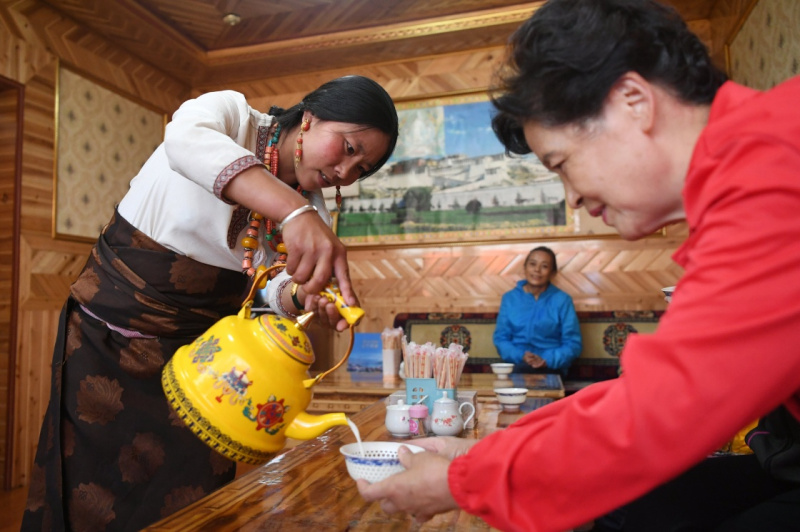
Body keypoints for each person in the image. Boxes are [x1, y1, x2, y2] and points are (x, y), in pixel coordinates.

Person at [357, 1, 800, 530]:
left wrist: (463, 481)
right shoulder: (748, 166)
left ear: (633, 102)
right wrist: (486, 452)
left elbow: (664, 409)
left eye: (562, 164)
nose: (571, 198)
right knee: (620, 511)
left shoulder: (775, 166)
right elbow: (648, 392)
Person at [22, 75, 398, 531]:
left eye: (362, 168)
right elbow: (184, 141)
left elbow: (274, 287)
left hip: (206, 366)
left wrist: (306, 295)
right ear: (312, 116)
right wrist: (292, 211)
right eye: (349, 148)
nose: (346, 172)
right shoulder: (234, 117)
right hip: (110, 340)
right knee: (90, 488)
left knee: (191, 497)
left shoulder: (313, 211)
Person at [493, 246, 581, 373]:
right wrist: (521, 355)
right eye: (532, 264)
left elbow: (573, 343)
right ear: (525, 267)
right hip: (517, 364)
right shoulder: (509, 298)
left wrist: (547, 359)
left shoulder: (562, 300)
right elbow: (501, 339)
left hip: (551, 367)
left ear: (552, 273)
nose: (537, 270)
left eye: (544, 266)